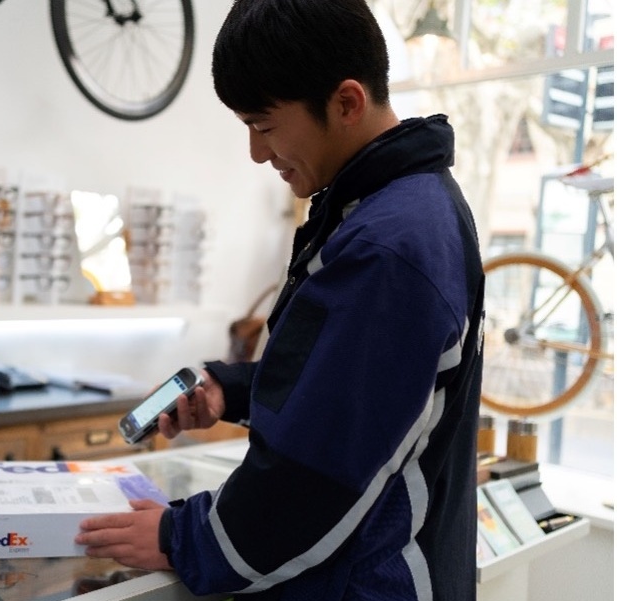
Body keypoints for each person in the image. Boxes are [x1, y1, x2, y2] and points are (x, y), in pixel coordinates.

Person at [75, 1, 484, 599]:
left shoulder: (392, 241)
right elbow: (344, 383)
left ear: (346, 103)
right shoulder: (392, 209)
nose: (256, 152)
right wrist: (233, 388)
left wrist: (182, 536)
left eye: (264, 127)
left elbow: (317, 477)